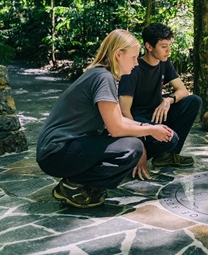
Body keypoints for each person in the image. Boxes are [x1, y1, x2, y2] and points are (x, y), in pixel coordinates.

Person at [36, 29, 174, 208]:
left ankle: (80, 184)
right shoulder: (103, 78)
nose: (136, 63)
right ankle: (74, 185)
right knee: (132, 148)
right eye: (133, 57)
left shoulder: (101, 75)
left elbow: (118, 120)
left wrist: (148, 127)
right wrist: (150, 129)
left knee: (131, 142)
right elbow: (116, 128)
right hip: (56, 152)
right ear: (118, 54)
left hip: (63, 148)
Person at [118, 23, 202, 170]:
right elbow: (125, 112)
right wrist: (140, 148)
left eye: (169, 45)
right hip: (138, 120)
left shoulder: (164, 63)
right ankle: (142, 152)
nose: (168, 50)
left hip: (157, 115)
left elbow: (183, 90)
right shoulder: (132, 68)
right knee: (171, 138)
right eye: (164, 46)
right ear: (149, 46)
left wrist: (168, 101)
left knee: (194, 101)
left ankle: (167, 156)